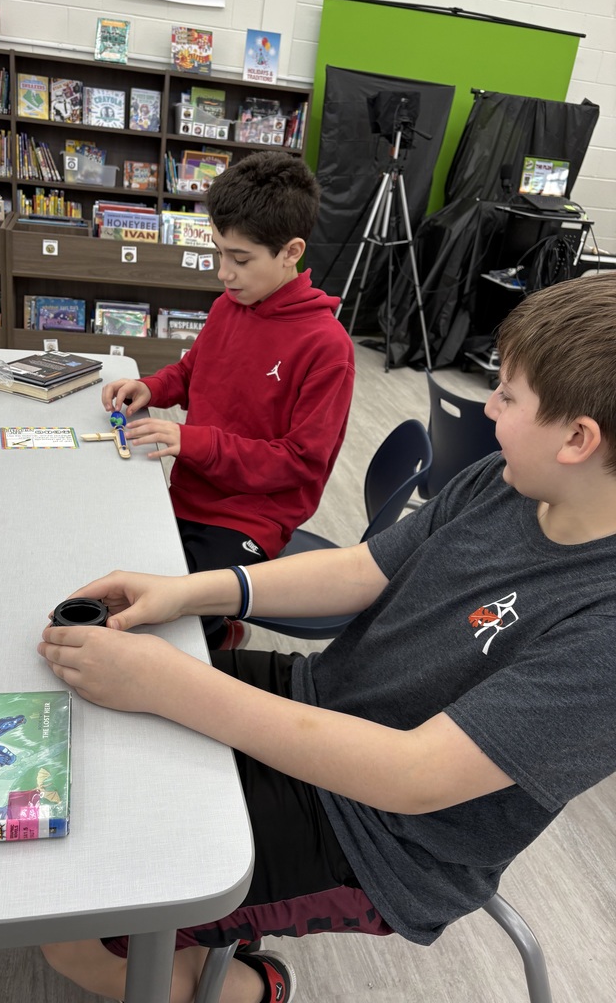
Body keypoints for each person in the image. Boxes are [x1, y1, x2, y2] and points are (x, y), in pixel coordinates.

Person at [39, 272, 616, 1003]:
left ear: (577, 438)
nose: (489, 409)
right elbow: (365, 567)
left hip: (385, 843)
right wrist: (189, 591)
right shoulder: (507, 482)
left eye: (507, 395)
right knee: (89, 728)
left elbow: (413, 776)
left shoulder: (603, 632)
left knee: (74, 925)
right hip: (323, 701)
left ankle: (248, 989)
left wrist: (171, 683)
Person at [101, 151, 355, 647]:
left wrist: (193, 442)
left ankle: (217, 633)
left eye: (240, 259)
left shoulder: (327, 347)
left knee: (161, 632)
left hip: (250, 519)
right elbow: (193, 372)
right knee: (111, 577)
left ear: (291, 251)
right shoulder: (229, 306)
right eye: (219, 252)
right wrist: (153, 386)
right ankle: (220, 626)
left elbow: (299, 463)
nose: (223, 273)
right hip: (187, 492)